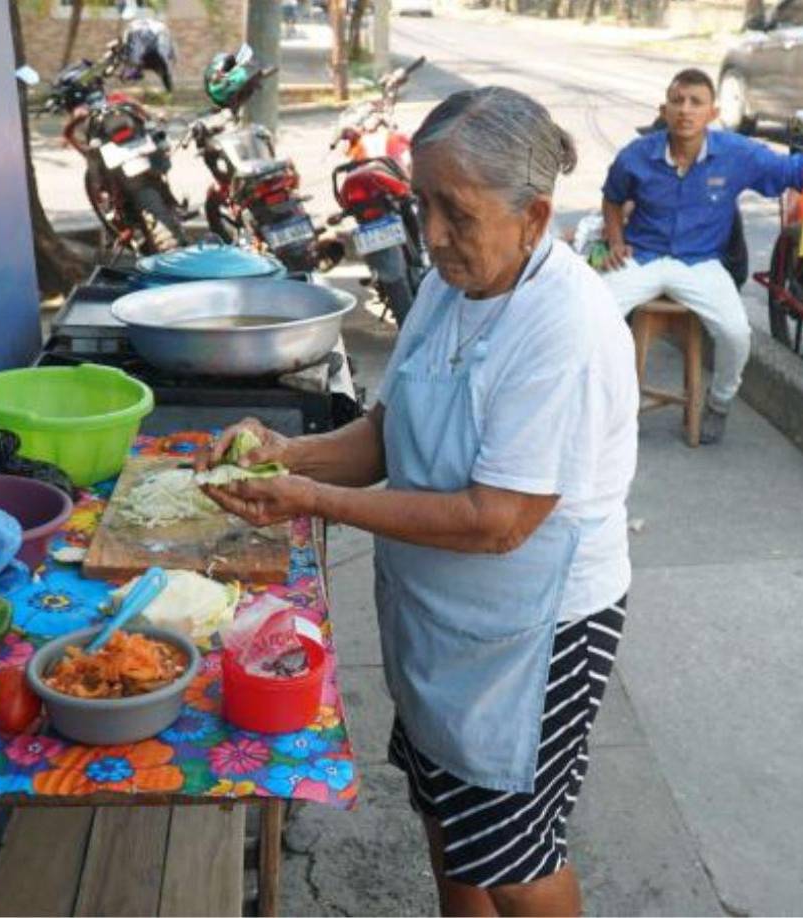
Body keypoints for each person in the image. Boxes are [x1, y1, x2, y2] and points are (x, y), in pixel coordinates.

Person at [199, 86, 639, 915]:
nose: (431, 236)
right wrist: (291, 457)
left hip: (537, 630)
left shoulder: (563, 329)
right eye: (422, 204)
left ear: (535, 215)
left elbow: (498, 519)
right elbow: (389, 430)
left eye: (457, 213)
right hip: (444, 611)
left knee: (516, 854)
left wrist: (311, 500)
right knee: (448, 818)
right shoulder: (450, 283)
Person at [598, 68, 803, 445]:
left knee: (736, 333)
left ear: (713, 113)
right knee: (590, 315)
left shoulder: (735, 153)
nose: (686, 110)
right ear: (664, 108)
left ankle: (719, 404)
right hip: (643, 257)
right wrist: (614, 240)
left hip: (701, 263)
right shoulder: (636, 155)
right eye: (678, 101)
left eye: (696, 102)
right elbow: (611, 198)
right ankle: (599, 403)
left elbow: (799, 170)